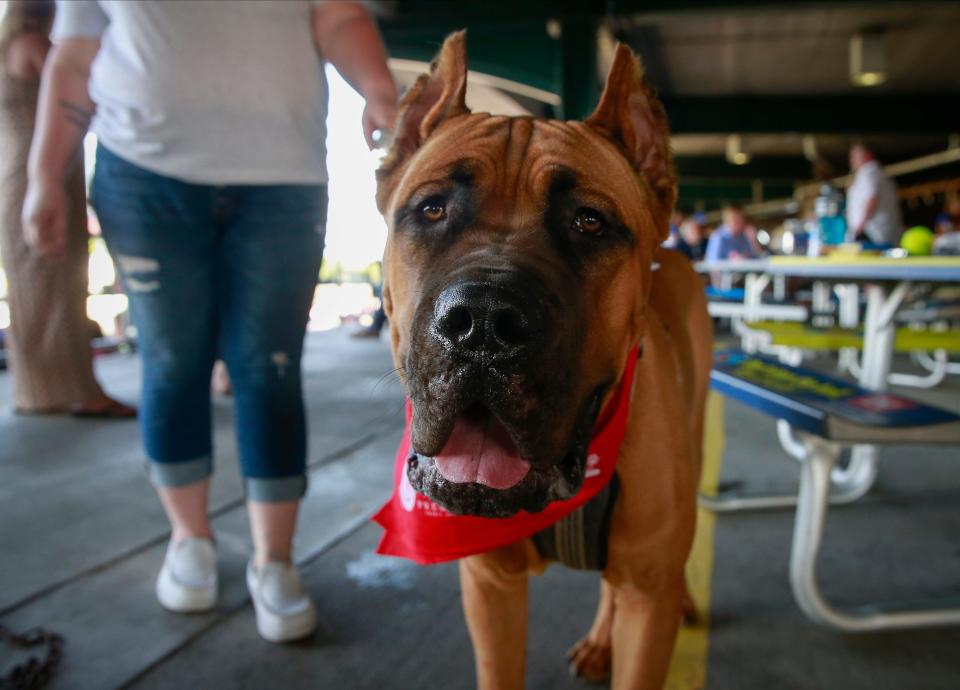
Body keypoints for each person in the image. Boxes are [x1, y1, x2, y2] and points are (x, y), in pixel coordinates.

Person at [23, 0, 397, 643]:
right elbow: (75, 55)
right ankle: (189, 539)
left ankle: (274, 561)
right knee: (171, 362)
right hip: (142, 173)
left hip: (281, 177)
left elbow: (337, 16)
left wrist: (380, 88)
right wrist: (43, 175)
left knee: (271, 368)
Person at [0, 0, 133, 417]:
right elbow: (74, 93)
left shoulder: (6, 51)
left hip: (15, 172)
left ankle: (38, 390)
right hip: (43, 169)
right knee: (57, 282)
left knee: (31, 286)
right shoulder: (34, 45)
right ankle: (76, 390)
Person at [846, 144, 903, 246]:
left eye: (854, 157)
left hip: (871, 233)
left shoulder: (868, 172)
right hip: (881, 232)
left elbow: (872, 198)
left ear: (867, 155)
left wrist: (860, 227)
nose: (852, 161)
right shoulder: (879, 173)